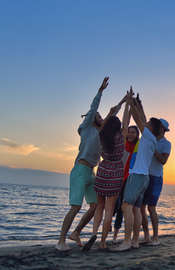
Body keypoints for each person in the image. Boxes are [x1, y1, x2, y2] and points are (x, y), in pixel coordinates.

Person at [56, 77, 109, 251]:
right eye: (99, 116)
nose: (101, 117)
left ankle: (76, 232)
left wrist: (124, 102)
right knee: (76, 207)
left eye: (101, 116)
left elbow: (111, 118)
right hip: (80, 170)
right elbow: (93, 108)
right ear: (93, 118)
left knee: (95, 206)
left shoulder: (101, 136)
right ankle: (61, 241)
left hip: (91, 173)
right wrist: (100, 91)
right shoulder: (86, 128)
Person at [83, 94, 131, 251]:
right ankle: (103, 241)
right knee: (109, 210)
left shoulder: (101, 134)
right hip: (116, 172)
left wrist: (122, 101)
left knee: (99, 207)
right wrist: (127, 104)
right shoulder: (121, 136)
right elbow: (125, 121)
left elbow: (111, 113)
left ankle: (94, 233)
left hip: (103, 170)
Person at [115, 91, 162, 251]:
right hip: (144, 178)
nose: (145, 123)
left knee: (126, 206)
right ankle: (135, 240)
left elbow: (137, 118)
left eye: (148, 123)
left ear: (150, 128)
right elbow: (142, 117)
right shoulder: (152, 138)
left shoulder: (148, 136)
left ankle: (127, 241)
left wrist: (130, 102)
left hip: (138, 176)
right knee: (135, 209)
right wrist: (138, 103)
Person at [141, 118, 171, 246]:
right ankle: (146, 236)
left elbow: (163, 160)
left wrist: (153, 149)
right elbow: (143, 120)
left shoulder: (166, 144)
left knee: (151, 207)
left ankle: (156, 237)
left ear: (163, 130)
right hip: (145, 175)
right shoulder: (149, 138)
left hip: (156, 177)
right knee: (141, 207)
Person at [112, 102, 140, 242]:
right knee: (113, 207)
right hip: (116, 177)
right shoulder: (123, 142)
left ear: (137, 135)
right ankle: (110, 230)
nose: (130, 133)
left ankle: (116, 236)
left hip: (128, 180)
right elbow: (125, 122)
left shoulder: (137, 146)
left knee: (122, 210)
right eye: (129, 131)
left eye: (133, 132)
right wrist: (128, 105)